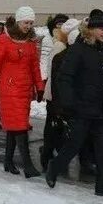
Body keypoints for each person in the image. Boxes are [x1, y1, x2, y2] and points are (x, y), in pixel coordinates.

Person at [46, 9, 103, 198]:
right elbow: (64, 78)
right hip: (81, 108)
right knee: (74, 145)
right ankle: (54, 167)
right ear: (90, 30)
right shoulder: (78, 50)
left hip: (101, 109)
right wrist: (69, 104)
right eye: (100, 28)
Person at [0, 7, 44, 178]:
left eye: (31, 23)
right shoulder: (4, 40)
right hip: (8, 88)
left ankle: (8, 161)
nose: (28, 26)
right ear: (18, 21)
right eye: (25, 22)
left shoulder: (31, 42)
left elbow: (35, 66)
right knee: (20, 126)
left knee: (15, 125)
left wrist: (40, 86)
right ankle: (28, 166)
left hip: (24, 89)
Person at [41, 17, 80, 168]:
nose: (60, 26)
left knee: (56, 125)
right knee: (53, 124)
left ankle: (53, 150)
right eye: (58, 24)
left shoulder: (64, 46)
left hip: (59, 93)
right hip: (55, 93)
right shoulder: (57, 46)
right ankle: (48, 151)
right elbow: (48, 66)